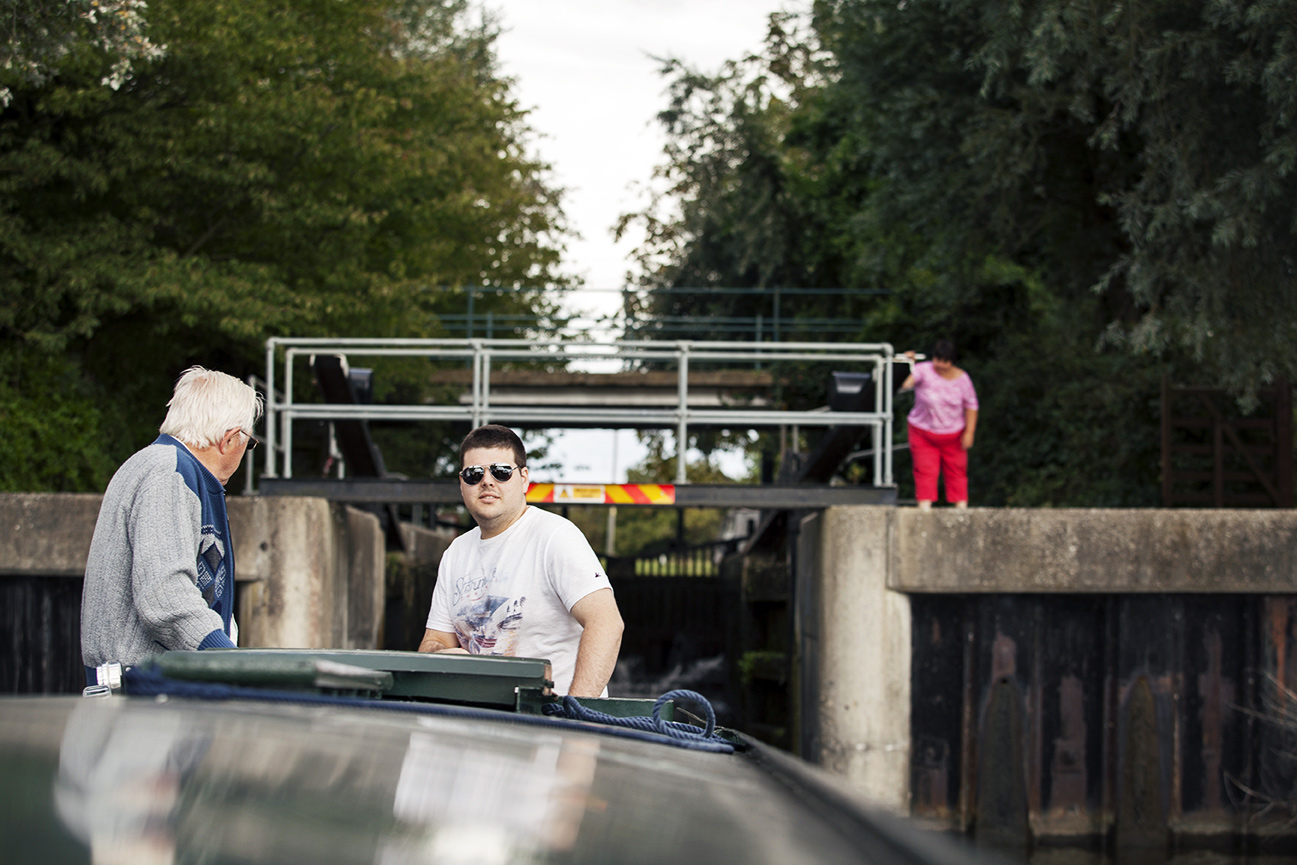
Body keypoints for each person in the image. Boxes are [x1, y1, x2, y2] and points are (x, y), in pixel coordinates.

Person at [81, 366, 262, 684]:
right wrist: (228, 661)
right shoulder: (169, 474)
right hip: (146, 695)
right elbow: (165, 596)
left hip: (152, 690)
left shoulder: (169, 468)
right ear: (230, 439)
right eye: (248, 443)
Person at [419, 424, 624, 697]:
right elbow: (434, 640)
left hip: (552, 726)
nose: (487, 481)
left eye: (501, 472)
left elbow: (607, 623)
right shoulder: (456, 552)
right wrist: (442, 654)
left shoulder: (555, 536)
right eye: (473, 474)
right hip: (481, 722)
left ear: (524, 478)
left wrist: (577, 715)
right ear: (461, 483)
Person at [901, 340, 979, 509]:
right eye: (937, 359)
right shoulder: (923, 370)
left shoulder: (963, 379)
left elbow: (971, 405)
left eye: (945, 361)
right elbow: (905, 384)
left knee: (957, 471)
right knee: (925, 470)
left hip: (954, 433)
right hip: (923, 431)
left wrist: (969, 432)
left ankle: (961, 509)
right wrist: (906, 364)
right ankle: (924, 508)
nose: (940, 365)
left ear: (952, 361)